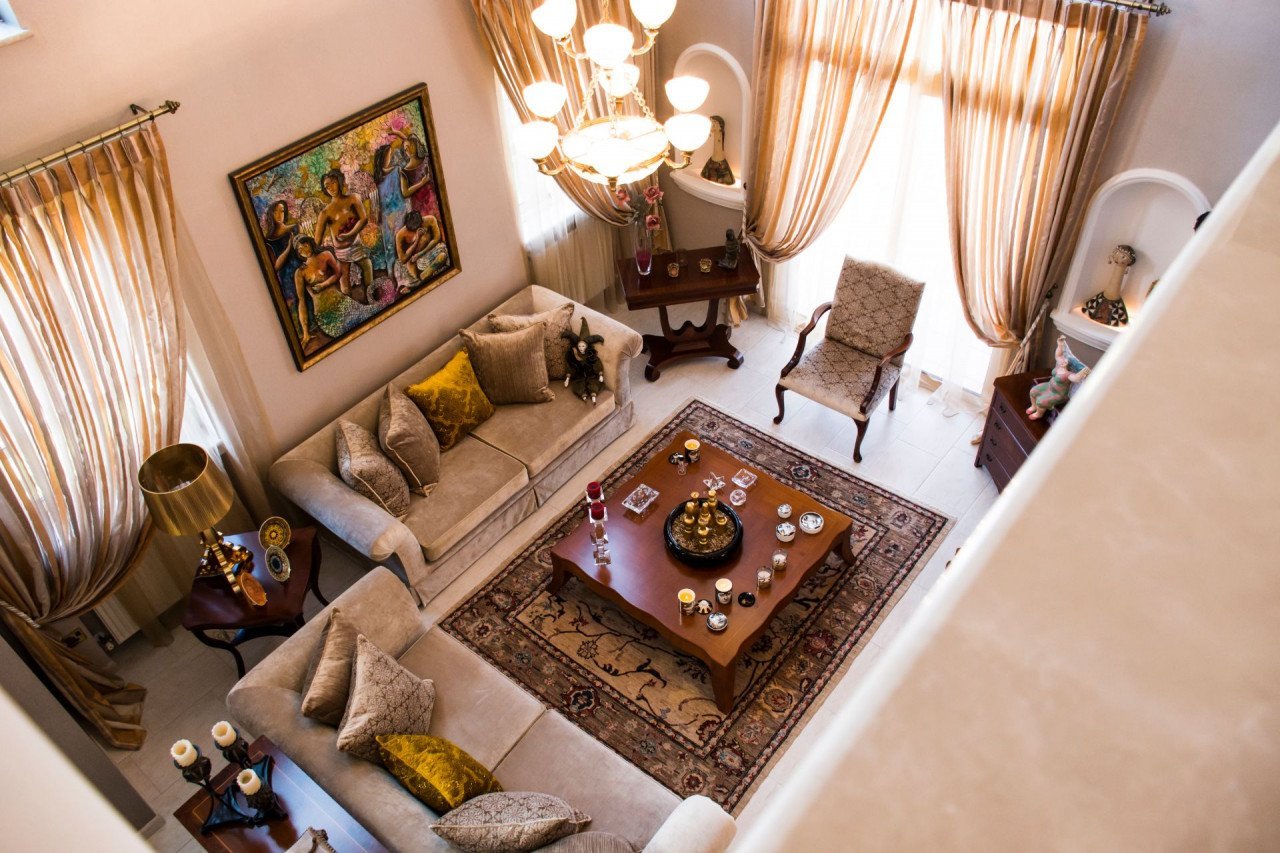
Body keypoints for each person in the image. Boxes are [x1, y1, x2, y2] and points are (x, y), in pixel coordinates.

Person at [312, 169, 374, 304]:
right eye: (327, 186)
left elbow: (363, 219)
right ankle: (351, 306)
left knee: (367, 265)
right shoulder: (325, 212)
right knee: (344, 281)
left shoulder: (353, 199)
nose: (331, 188)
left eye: (333, 183)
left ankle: (371, 297)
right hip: (341, 252)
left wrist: (349, 234)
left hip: (356, 244)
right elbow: (317, 240)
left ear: (339, 182)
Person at [262, 199, 307, 341]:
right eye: (276, 211)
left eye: (282, 211)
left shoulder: (295, 228)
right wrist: (288, 247)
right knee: (295, 303)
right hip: (286, 275)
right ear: (271, 214)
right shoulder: (268, 240)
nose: (279, 214)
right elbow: (275, 266)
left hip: (301, 267)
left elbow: (304, 249)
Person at [292, 236, 341, 349]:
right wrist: (305, 333)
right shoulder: (300, 272)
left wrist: (324, 285)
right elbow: (301, 301)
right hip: (323, 313)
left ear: (310, 243)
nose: (304, 250)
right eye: (300, 249)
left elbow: (337, 273)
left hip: (339, 301)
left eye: (305, 246)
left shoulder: (326, 255)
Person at [393, 210, 445, 294]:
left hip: (428, 252)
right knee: (400, 267)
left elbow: (437, 238)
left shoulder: (430, 220)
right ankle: (418, 282)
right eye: (412, 230)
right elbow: (403, 259)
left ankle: (420, 281)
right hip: (412, 261)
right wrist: (417, 239)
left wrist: (421, 253)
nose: (414, 231)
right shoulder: (400, 234)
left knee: (442, 253)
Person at [700, 116, 735, 185]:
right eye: (712, 123)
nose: (712, 125)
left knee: (717, 152)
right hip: (715, 155)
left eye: (714, 123)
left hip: (718, 154)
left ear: (720, 127)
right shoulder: (715, 132)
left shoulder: (719, 135)